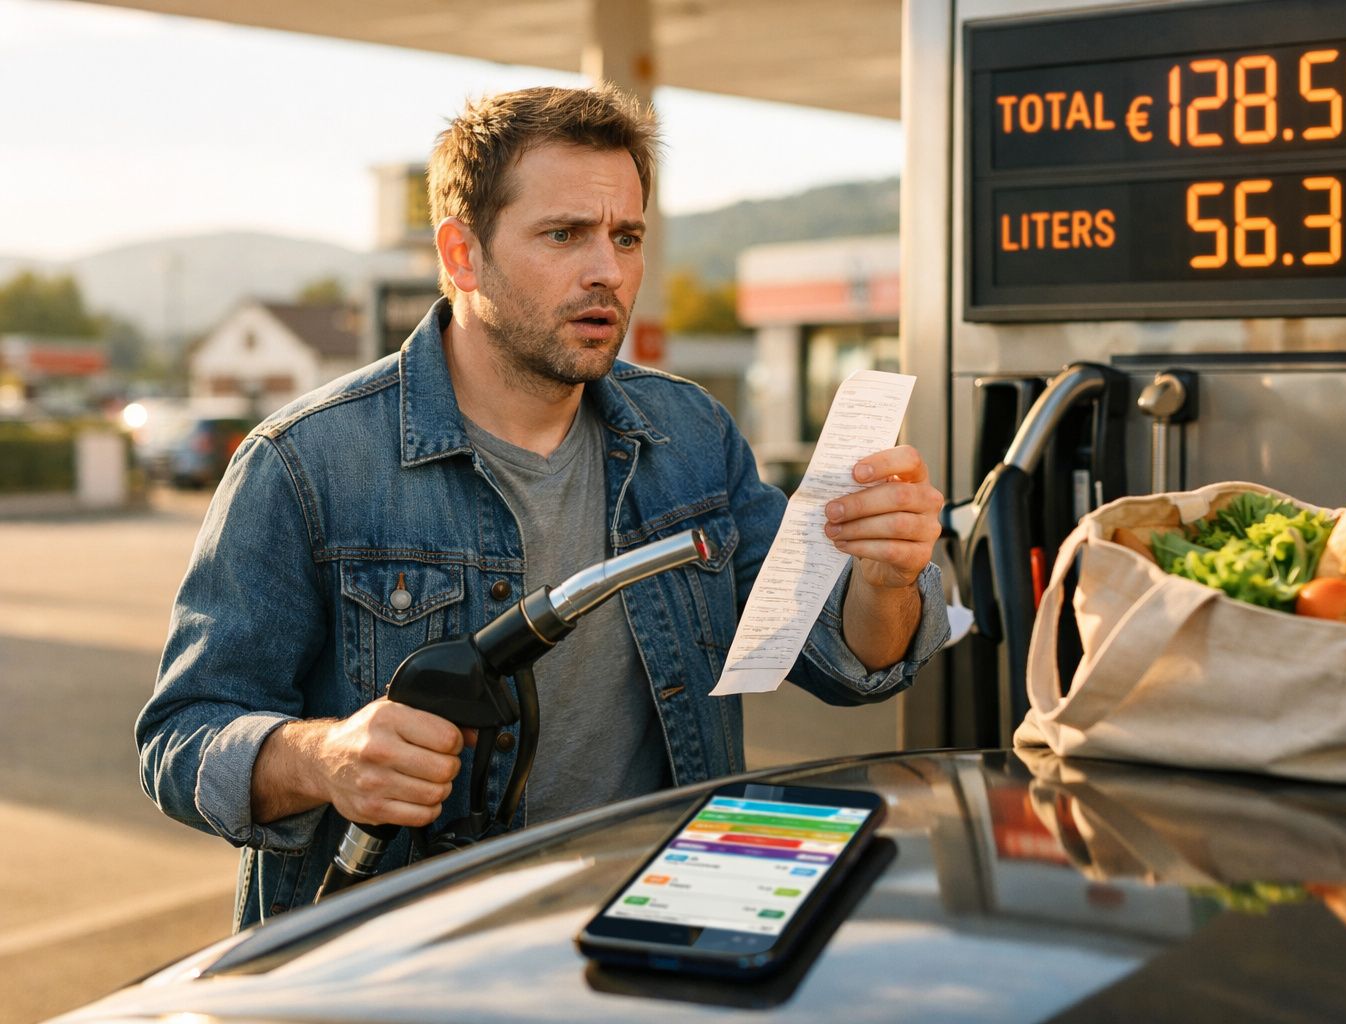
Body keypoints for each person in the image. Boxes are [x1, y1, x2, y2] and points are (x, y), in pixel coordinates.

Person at [137, 84, 949, 928]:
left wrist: (885, 577)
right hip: (412, 960)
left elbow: (841, 662)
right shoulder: (308, 463)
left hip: (668, 931)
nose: (607, 269)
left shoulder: (691, 436)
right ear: (462, 256)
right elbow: (180, 738)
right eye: (564, 234)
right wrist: (322, 756)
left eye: (625, 237)